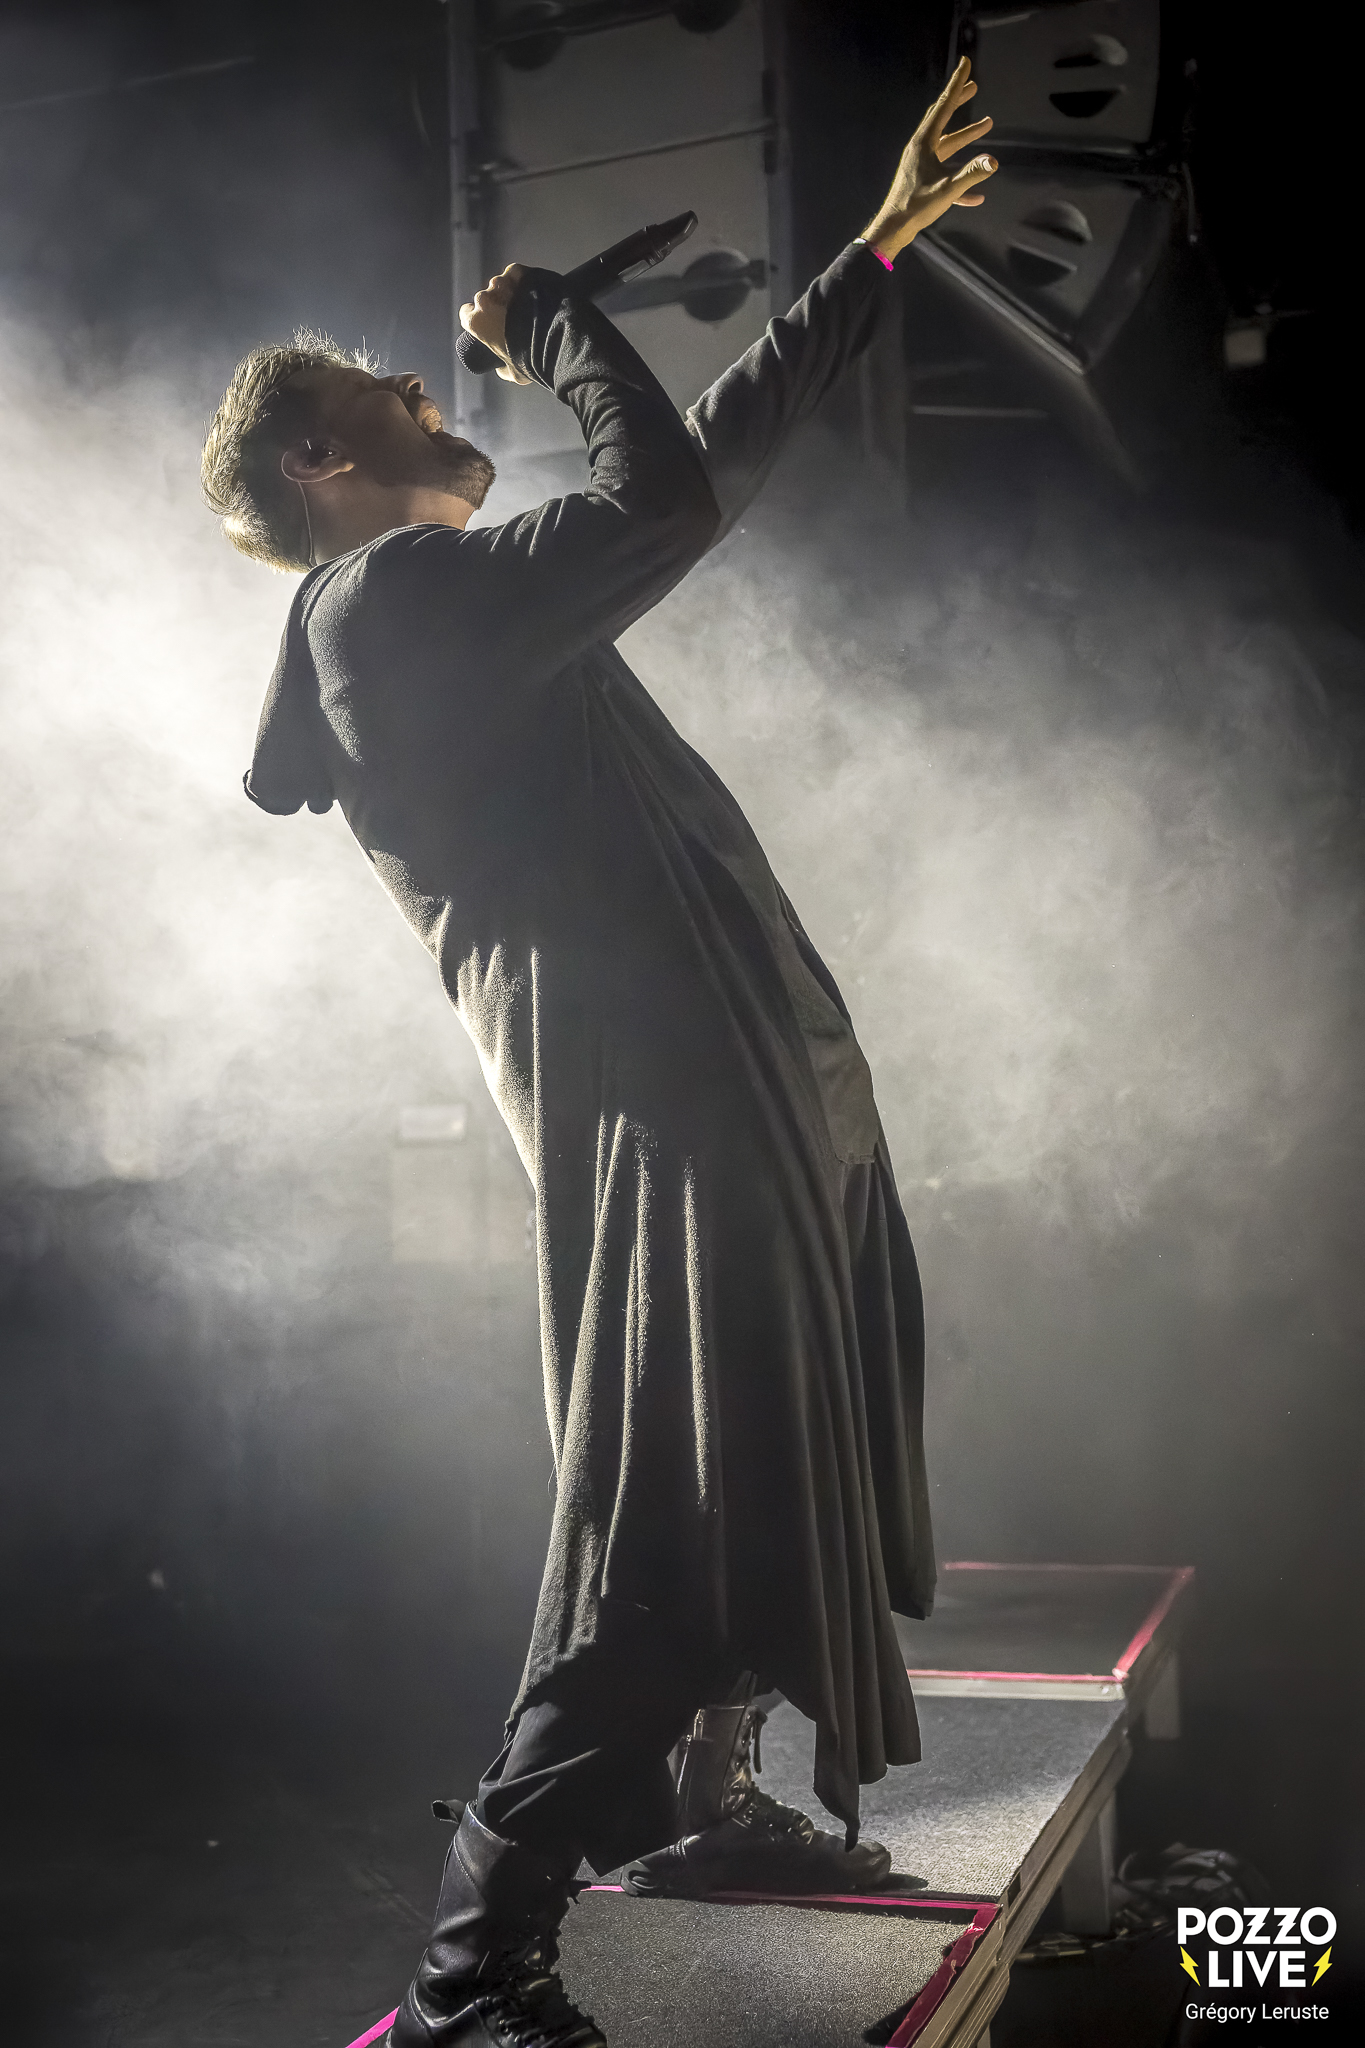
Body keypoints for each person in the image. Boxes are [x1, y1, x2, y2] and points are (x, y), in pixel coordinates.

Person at [202, 57, 995, 2048]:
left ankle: (709, 1808)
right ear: (320, 456)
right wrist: (553, 318)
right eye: (391, 389)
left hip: (734, 1084)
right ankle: (472, 1972)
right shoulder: (381, 607)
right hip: (664, 1112)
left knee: (762, 1463)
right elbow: (666, 496)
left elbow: (697, 466)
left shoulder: (457, 610)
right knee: (662, 1520)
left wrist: (871, 251)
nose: (432, 388)